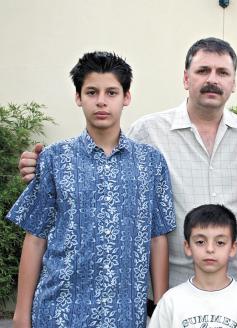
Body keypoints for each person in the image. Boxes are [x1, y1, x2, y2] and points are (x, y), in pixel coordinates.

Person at [17, 38, 237, 292]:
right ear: (186, 78)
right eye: (203, 70)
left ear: (234, 82)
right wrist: (44, 164)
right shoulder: (149, 132)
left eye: (223, 72)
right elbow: (101, 153)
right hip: (171, 288)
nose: (212, 79)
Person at [6, 52, 176, 327]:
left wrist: (161, 309)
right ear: (78, 97)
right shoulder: (53, 158)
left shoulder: (151, 162)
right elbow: (35, 238)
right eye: (91, 92)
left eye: (111, 92)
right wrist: (21, 315)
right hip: (59, 313)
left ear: (126, 97)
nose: (101, 101)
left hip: (125, 315)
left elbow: (158, 238)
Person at [148, 204, 237, 328]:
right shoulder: (171, 301)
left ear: (233, 248)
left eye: (220, 242)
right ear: (188, 247)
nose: (210, 249)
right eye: (200, 242)